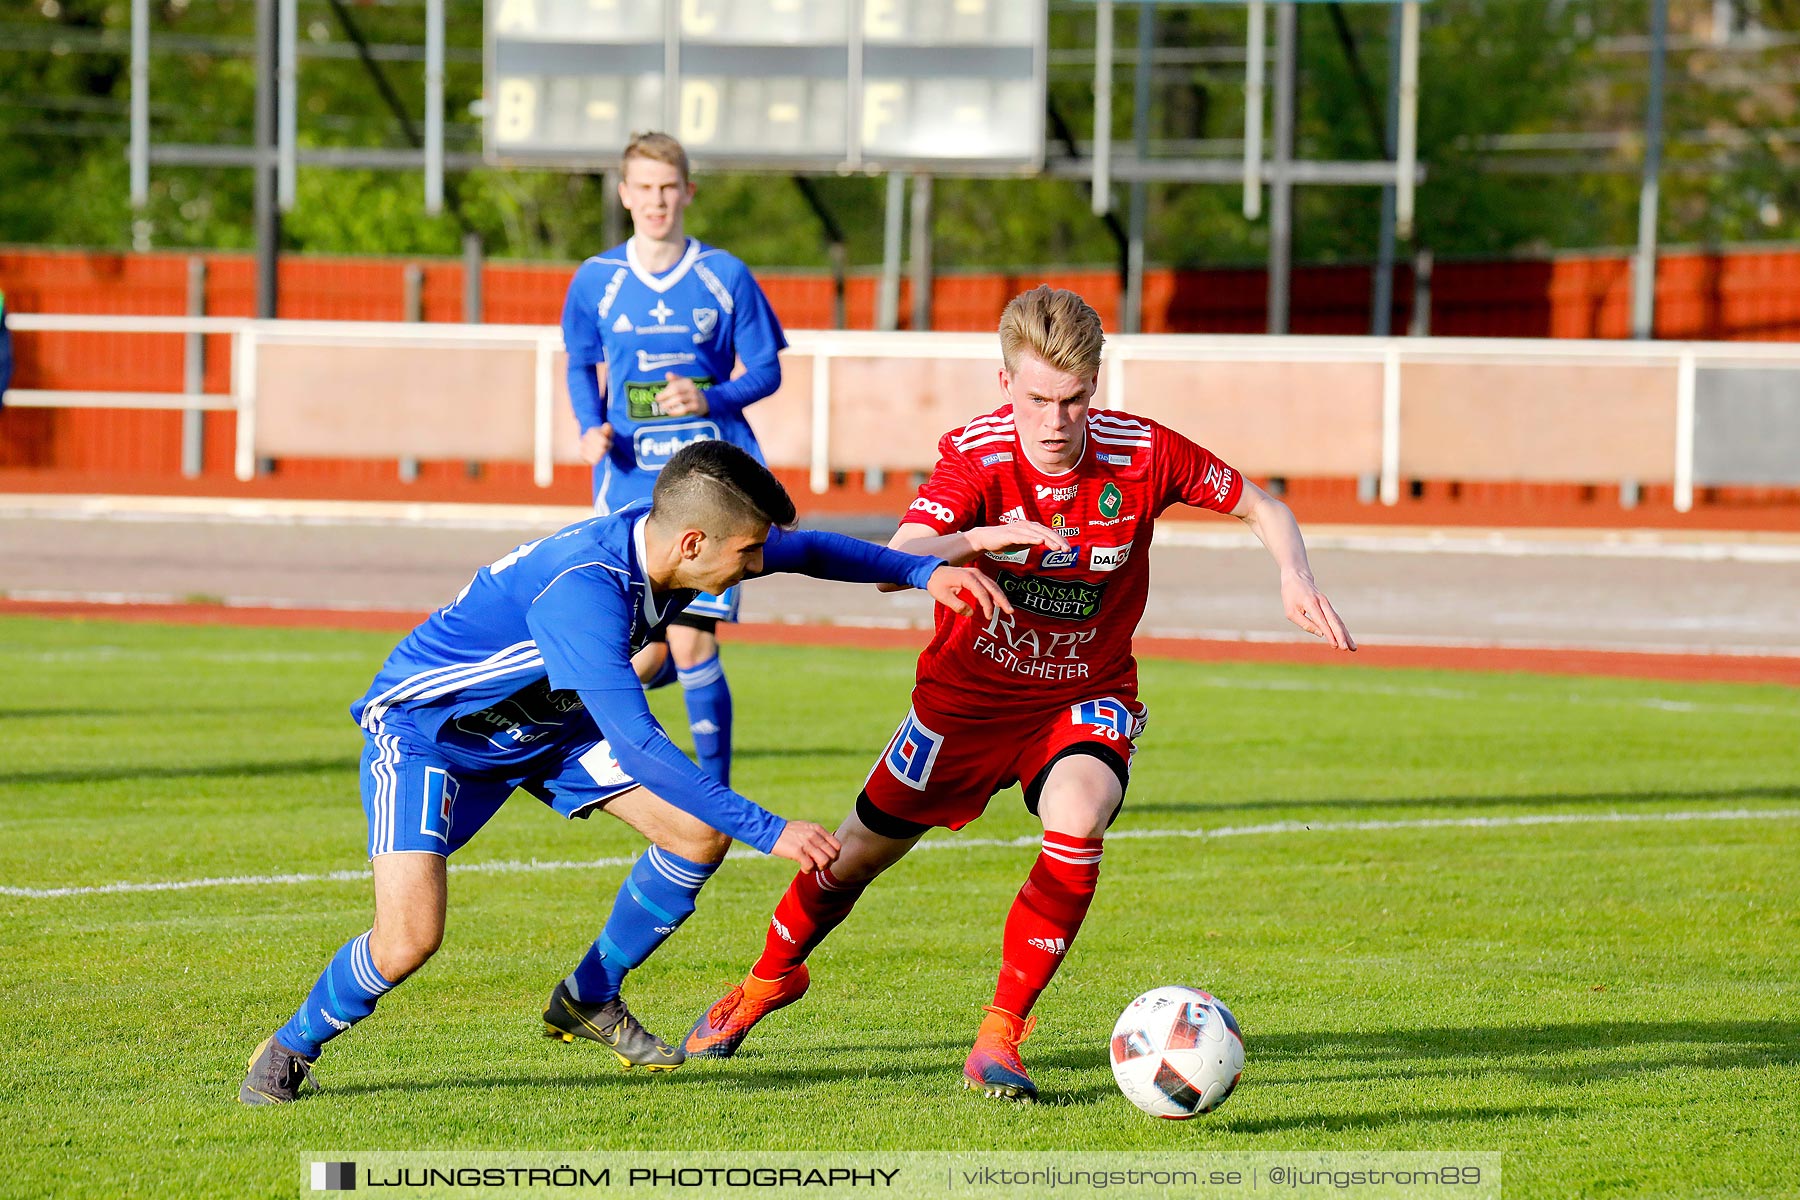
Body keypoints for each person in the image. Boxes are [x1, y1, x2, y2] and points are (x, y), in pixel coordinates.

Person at [682, 286, 1356, 1101]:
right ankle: (768, 980)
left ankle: (1001, 1035)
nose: (1056, 419)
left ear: (1096, 385)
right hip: (965, 701)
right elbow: (900, 559)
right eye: (1038, 398)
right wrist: (980, 539)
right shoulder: (977, 455)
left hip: (1083, 693)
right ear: (1006, 385)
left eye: (1074, 399)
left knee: (1077, 817)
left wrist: (1293, 572)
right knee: (853, 858)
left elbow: (1261, 504)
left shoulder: (1142, 453)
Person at [239, 441, 1010, 1104]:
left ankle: (589, 996)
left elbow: (808, 551)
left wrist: (919, 574)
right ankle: (289, 1047)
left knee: (694, 837)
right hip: (432, 734)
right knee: (410, 938)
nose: (753, 568)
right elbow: (639, 745)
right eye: (745, 554)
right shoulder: (585, 592)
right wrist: (770, 830)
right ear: (694, 543)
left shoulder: (667, 546)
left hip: (545, 725)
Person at [562, 131, 783, 790]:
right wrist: (590, 426)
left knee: (692, 640)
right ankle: (577, 753)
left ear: (686, 192)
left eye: (668, 188)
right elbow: (580, 361)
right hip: (631, 483)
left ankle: (712, 793)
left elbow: (766, 369)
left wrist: (711, 394)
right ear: (625, 195)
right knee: (642, 652)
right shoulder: (596, 280)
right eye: (645, 189)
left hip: (714, 484)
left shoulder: (724, 275)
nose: (657, 201)